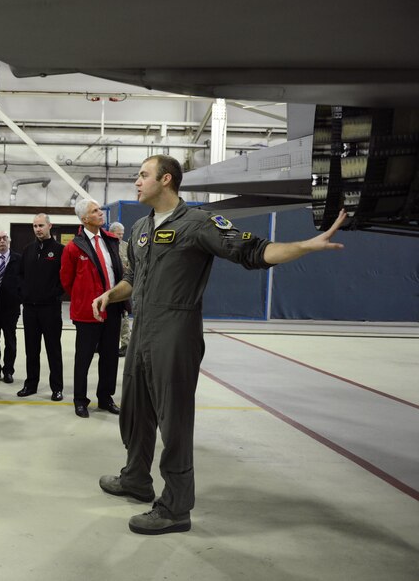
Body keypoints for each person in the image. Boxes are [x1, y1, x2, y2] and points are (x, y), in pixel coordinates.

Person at [93, 154, 348, 535]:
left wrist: (304, 246)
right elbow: (134, 280)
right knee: (135, 411)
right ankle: (135, 478)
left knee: (173, 422)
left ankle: (175, 508)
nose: (136, 182)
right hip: (142, 329)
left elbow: (253, 250)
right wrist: (110, 295)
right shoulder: (141, 228)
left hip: (175, 333)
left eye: (143, 175)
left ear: (166, 180)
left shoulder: (199, 223)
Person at [60, 199, 124, 418]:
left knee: (110, 357)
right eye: (95, 211)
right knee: (84, 358)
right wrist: (85, 297)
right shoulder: (73, 246)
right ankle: (80, 400)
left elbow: (117, 270)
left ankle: (105, 398)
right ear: (84, 218)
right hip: (87, 312)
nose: (100, 213)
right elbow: (66, 281)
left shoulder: (111, 241)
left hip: (113, 308)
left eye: (99, 210)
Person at [17, 214, 65, 401]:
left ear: (49, 226)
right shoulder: (28, 250)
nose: (38, 229)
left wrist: (53, 294)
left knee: (53, 349)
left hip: (50, 309)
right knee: (31, 349)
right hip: (30, 309)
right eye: (35, 226)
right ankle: (31, 385)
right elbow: (20, 275)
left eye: (41, 225)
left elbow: (65, 279)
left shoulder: (60, 251)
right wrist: (24, 294)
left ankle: (57, 387)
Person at [0, 230, 21, 384]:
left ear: (9, 240)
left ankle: (8, 370)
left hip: (11, 308)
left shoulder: (19, 260)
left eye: (4, 238)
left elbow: (24, 281)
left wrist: (19, 298)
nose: (2, 241)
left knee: (10, 340)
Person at [108, 222, 132, 357]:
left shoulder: (126, 247)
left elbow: (130, 266)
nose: (121, 236)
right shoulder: (105, 245)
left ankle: (125, 344)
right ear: (111, 232)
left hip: (122, 286)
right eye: (118, 234)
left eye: (122, 234)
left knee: (124, 316)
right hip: (107, 287)